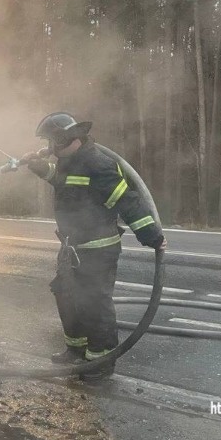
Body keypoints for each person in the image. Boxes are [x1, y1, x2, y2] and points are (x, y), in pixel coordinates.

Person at [21, 112, 166, 382]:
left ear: (67, 139)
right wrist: (40, 168)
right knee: (67, 297)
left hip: (97, 249)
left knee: (94, 305)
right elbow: (61, 181)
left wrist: (152, 236)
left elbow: (129, 202)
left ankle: (100, 362)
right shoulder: (68, 161)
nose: (50, 148)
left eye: (53, 142)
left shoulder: (99, 165)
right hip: (71, 248)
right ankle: (76, 351)